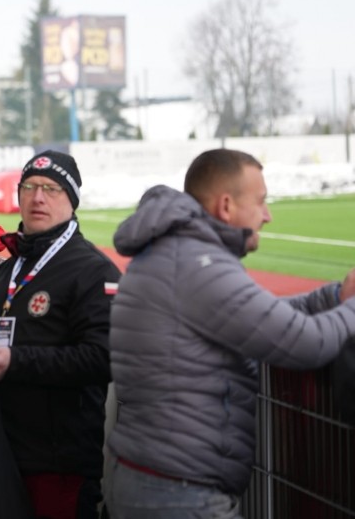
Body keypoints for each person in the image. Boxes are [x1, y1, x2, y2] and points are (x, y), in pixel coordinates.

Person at [104, 148, 355, 517]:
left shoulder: (175, 252)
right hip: (178, 493)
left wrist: (335, 296)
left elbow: (261, 313)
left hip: (151, 477)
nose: (267, 215)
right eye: (261, 201)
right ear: (226, 206)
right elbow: (309, 343)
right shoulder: (198, 263)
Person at [0, 149, 121, 519]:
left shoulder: (93, 270)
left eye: (51, 189)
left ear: (72, 199)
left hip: (58, 463)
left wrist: (16, 362)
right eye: (29, 187)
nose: (38, 197)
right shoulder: (4, 273)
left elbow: (103, 358)